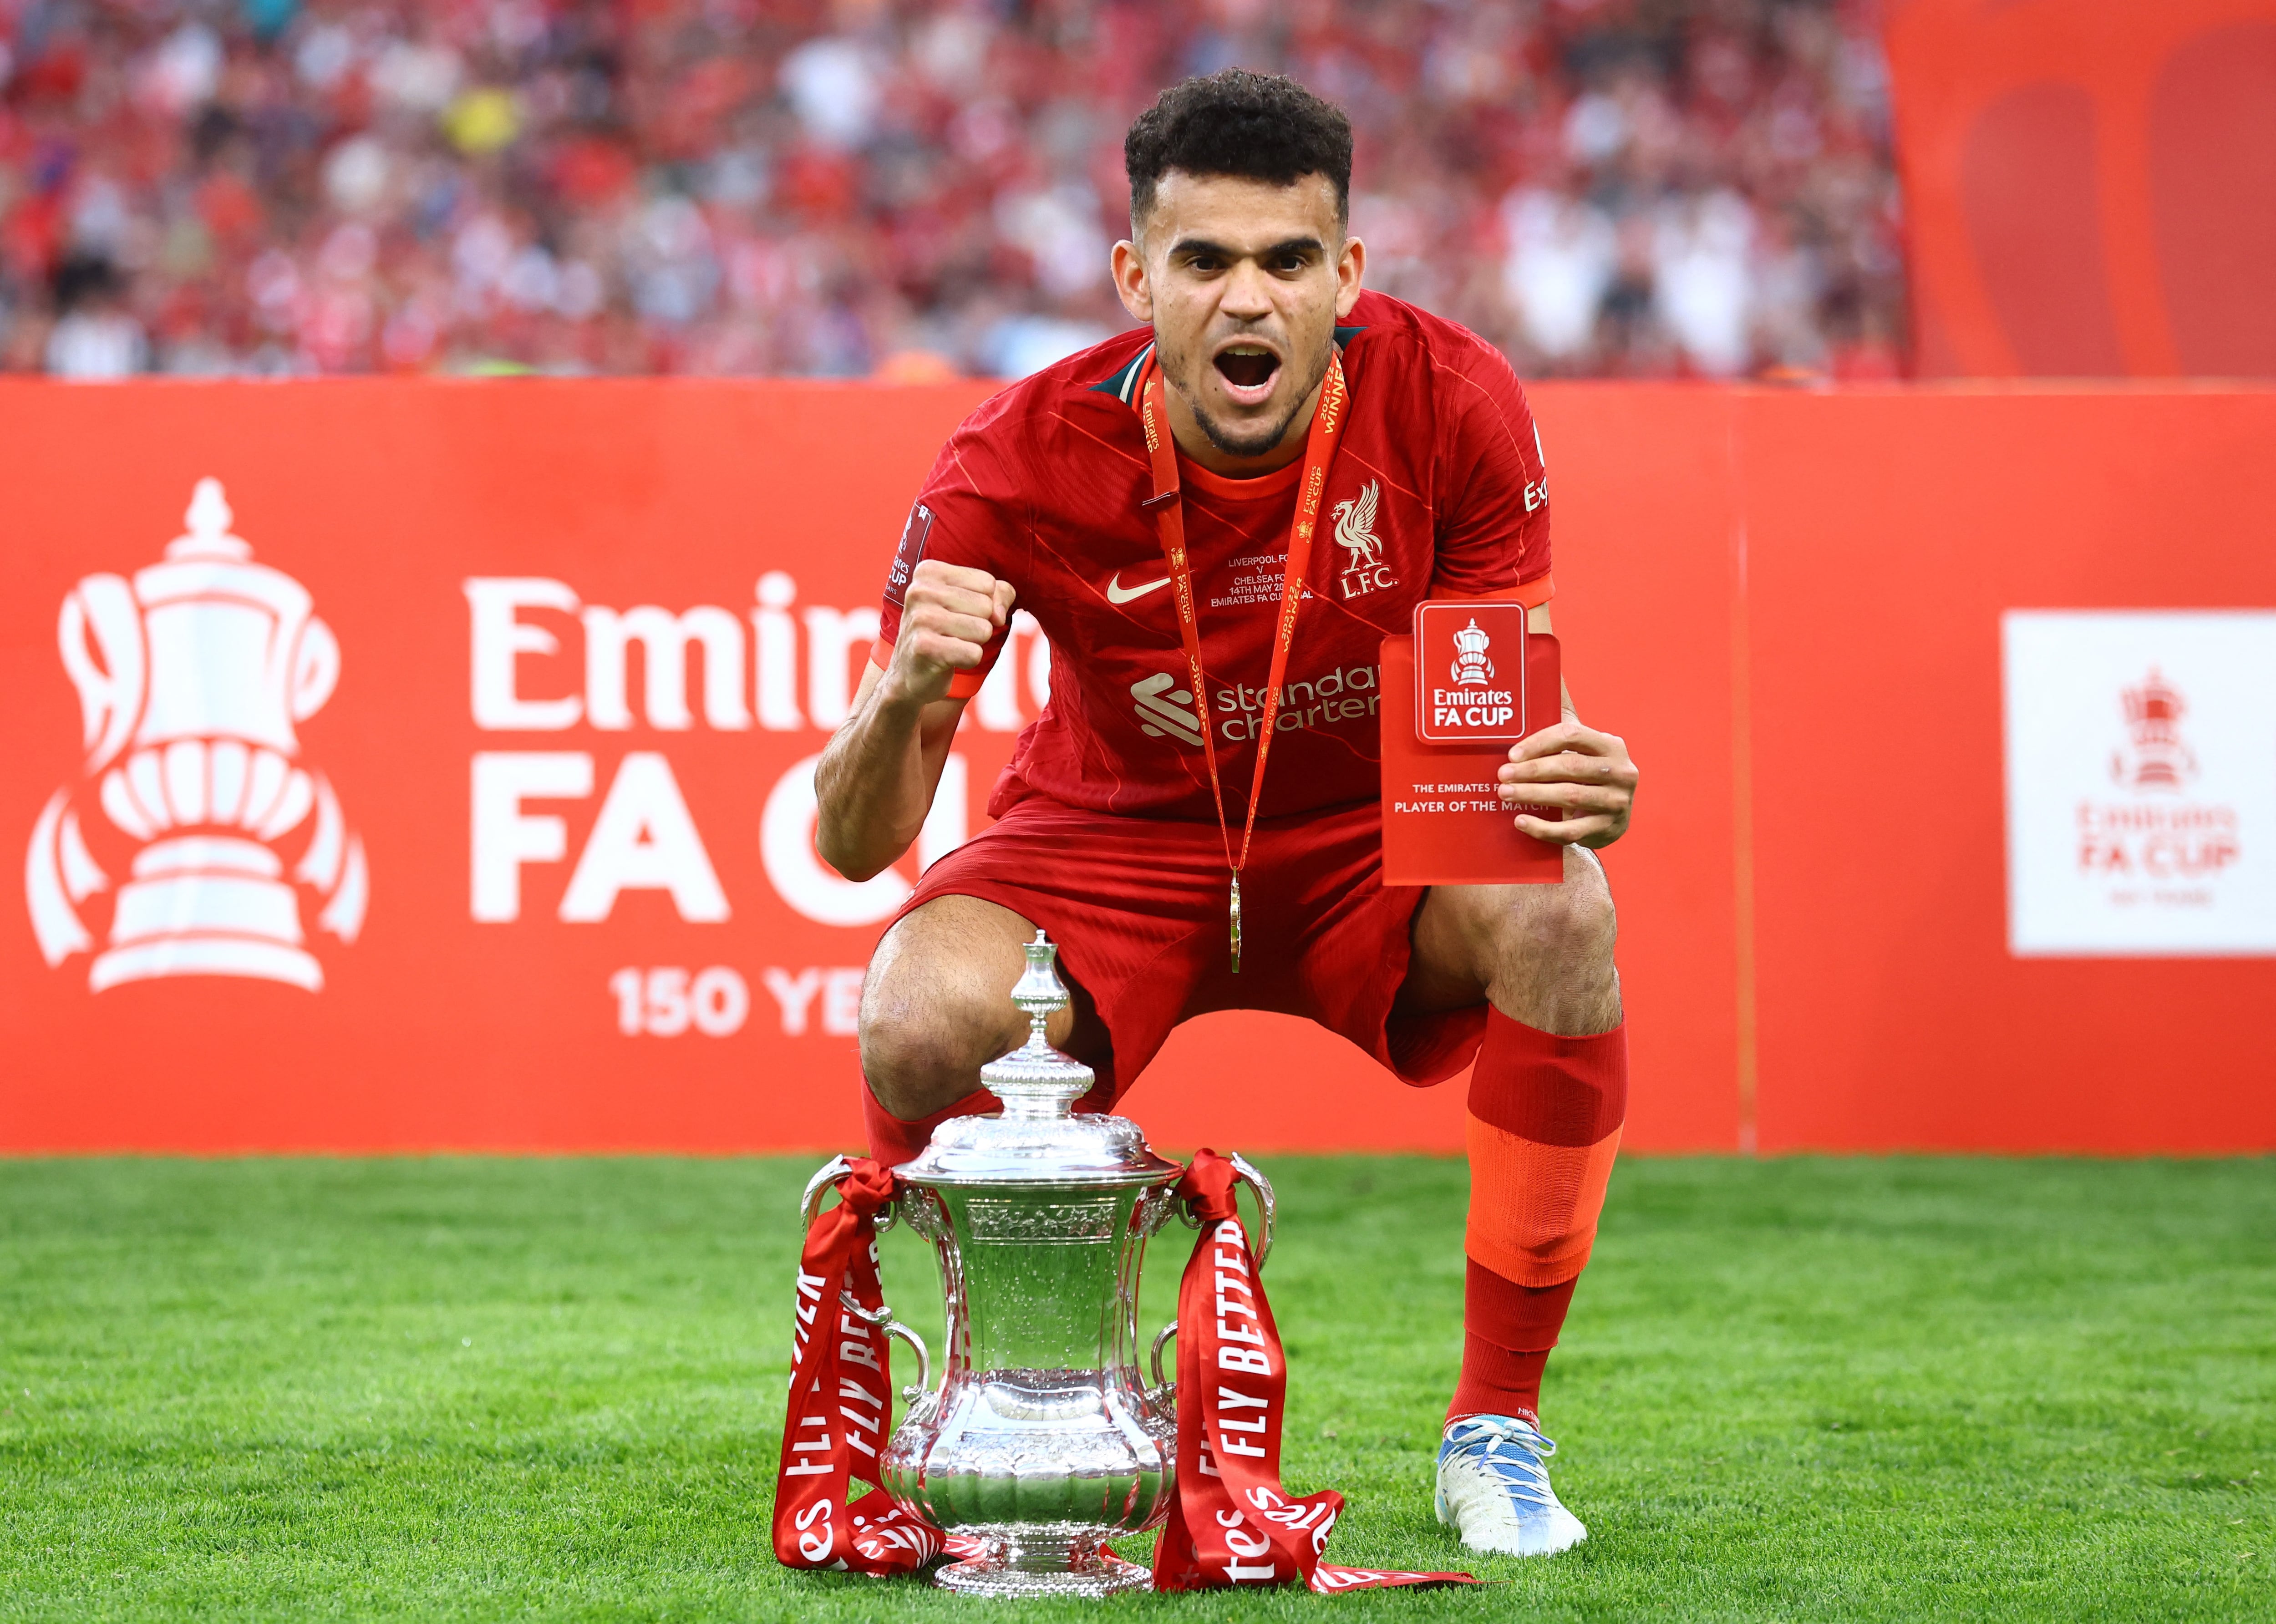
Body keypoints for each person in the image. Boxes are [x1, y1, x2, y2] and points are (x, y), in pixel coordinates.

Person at [815, 68, 1639, 1559]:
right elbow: (854, 843)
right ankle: (992, 1401)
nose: (1246, 299)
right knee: (913, 1012)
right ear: (1138, 279)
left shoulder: (1453, 401)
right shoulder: (1016, 454)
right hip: (1110, 838)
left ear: (1348, 274)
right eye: (1203, 261)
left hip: (1371, 834)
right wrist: (898, 696)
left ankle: (1498, 1432)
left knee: (1564, 907)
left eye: (1286, 260)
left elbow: (1499, 739)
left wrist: (1566, 780)